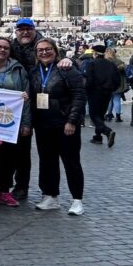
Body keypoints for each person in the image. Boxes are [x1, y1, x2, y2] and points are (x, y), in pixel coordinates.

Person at [28, 37, 86, 215]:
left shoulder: (68, 69)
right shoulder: (34, 72)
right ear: (36, 54)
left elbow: (79, 95)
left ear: (55, 50)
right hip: (43, 124)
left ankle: (77, 200)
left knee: (71, 162)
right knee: (47, 161)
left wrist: (72, 121)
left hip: (64, 124)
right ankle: (51, 196)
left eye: (48, 49)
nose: (44, 52)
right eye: (40, 50)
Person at [0, 37, 31, 206]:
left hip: (11, 120)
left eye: (5, 48)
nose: (2, 50)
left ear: (10, 51)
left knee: (10, 156)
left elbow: (26, 96)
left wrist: (26, 122)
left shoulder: (18, 69)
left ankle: (4, 189)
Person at [83, 43, 120, 148]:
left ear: (94, 53)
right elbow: (117, 80)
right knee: (100, 115)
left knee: (94, 115)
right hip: (107, 92)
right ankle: (97, 136)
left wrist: (87, 90)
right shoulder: (111, 64)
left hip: (94, 92)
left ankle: (107, 132)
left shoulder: (91, 64)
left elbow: (89, 80)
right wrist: (112, 89)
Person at [105, 47, 127, 122]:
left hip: (107, 84)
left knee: (109, 100)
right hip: (118, 84)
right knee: (117, 100)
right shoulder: (119, 61)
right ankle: (118, 117)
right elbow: (124, 71)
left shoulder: (105, 62)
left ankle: (109, 115)